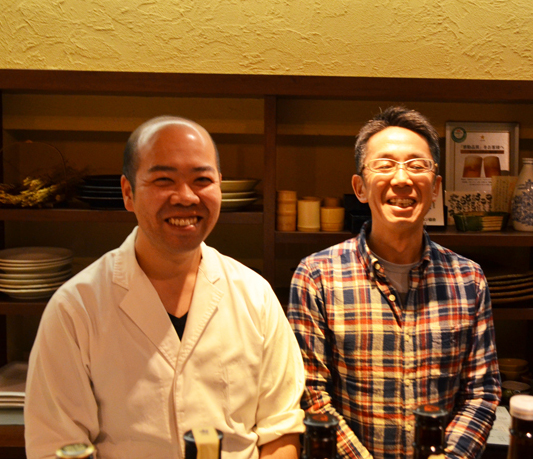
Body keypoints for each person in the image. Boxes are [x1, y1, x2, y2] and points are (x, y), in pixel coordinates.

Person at [25, 116, 305, 459]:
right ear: (128, 193)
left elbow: (280, 429)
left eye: (202, 180)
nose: (186, 197)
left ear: (219, 186)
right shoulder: (76, 307)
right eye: (163, 180)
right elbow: (57, 444)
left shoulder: (255, 295)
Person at [288, 106, 501, 459]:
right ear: (360, 187)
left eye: (417, 166)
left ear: (436, 187)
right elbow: (311, 392)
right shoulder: (317, 275)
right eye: (385, 165)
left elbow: (481, 392)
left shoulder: (468, 279)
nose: (402, 179)